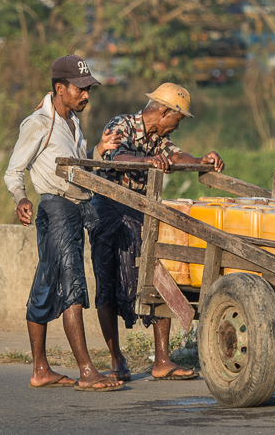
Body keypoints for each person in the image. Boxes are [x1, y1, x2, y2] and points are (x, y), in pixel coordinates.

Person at [4, 55, 124, 392]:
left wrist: (98, 149)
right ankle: (87, 371)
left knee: (45, 286)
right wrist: (21, 198)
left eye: (89, 89)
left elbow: (79, 170)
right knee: (73, 285)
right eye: (81, 89)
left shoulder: (72, 123)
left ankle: (40, 369)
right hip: (55, 209)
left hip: (77, 206)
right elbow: (14, 170)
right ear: (60, 88)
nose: (87, 95)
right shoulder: (39, 124)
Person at [91, 82, 224, 382]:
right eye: (178, 120)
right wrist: (146, 161)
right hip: (109, 209)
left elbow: (176, 157)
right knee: (107, 280)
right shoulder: (121, 125)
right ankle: (116, 360)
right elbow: (116, 157)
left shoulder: (157, 138)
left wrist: (202, 161)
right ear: (165, 112)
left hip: (140, 210)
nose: (176, 127)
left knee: (157, 271)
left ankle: (162, 359)